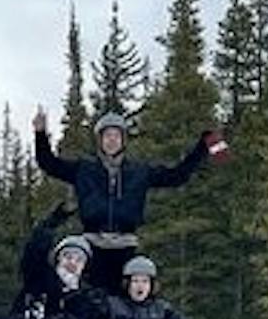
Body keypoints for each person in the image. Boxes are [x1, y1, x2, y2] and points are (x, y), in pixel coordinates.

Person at [31, 104, 223, 288]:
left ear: (123, 140)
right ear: (100, 140)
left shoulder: (140, 171)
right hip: (91, 245)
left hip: (126, 246)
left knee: (125, 303)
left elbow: (177, 176)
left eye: (116, 135)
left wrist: (202, 148)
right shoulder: (84, 169)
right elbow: (49, 164)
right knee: (88, 302)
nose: (112, 140)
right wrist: (40, 134)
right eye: (107, 135)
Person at [11, 201, 110, 319]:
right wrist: (53, 221)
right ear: (58, 259)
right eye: (67, 256)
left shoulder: (88, 296)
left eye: (79, 259)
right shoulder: (40, 279)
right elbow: (34, 250)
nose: (72, 263)